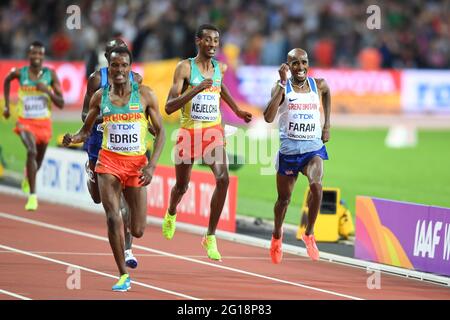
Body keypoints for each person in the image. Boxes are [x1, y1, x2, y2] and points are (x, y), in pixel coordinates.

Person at [63, 46, 165, 291]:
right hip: (108, 162)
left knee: (138, 228)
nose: (119, 70)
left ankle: (129, 247)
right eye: (115, 66)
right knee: (112, 217)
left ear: (130, 68)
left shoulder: (145, 95)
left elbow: (161, 132)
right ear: (109, 68)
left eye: (123, 65)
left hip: (136, 164)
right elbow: (86, 130)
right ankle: (122, 274)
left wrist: (151, 166)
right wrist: (73, 138)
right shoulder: (101, 96)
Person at [163, 24, 252, 261]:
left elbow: (220, 87)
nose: (213, 44)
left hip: (212, 133)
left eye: (216, 41)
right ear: (198, 41)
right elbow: (169, 107)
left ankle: (210, 236)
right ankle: (172, 211)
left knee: (223, 179)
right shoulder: (184, 68)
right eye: (208, 40)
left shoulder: (219, 67)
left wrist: (237, 110)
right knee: (182, 186)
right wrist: (195, 90)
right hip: (188, 134)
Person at [81, 38, 152, 269]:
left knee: (124, 205)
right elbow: (85, 115)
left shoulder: (137, 80)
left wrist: (138, 122)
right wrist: (110, 116)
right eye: (113, 55)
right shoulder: (96, 80)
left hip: (126, 152)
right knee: (97, 198)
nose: (118, 61)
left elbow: (142, 110)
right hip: (99, 140)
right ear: (107, 58)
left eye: (122, 57)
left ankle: (128, 249)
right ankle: (89, 171)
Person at [263, 48, 331, 263]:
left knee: (317, 185)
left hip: (313, 149)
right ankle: (276, 236)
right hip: (289, 152)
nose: (300, 67)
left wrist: (327, 123)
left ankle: (309, 234)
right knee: (284, 200)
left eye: (304, 62)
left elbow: (328, 93)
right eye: (295, 64)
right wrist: (282, 85)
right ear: (288, 66)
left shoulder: (317, 84)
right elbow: (268, 117)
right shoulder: (281, 87)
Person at [3, 41, 64, 210]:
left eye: (39, 54)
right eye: (33, 53)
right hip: (25, 122)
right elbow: (7, 80)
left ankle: (27, 176)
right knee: (31, 151)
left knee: (38, 161)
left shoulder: (50, 75)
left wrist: (47, 91)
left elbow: (61, 103)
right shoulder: (20, 73)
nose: (36, 56)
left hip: (44, 124)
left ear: (43, 56)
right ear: (29, 55)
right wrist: (7, 106)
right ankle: (32, 196)